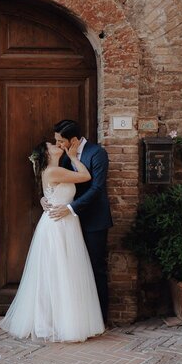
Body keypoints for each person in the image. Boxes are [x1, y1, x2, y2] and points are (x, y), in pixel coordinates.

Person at [0, 140, 104, 341]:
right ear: (47, 154)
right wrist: (73, 156)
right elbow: (86, 176)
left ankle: (63, 321)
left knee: (63, 272)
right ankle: (53, 324)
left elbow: (58, 193)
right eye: (51, 145)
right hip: (57, 225)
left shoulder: (56, 169)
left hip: (64, 222)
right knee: (57, 272)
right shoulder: (54, 171)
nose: (57, 144)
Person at [43, 120, 113, 322]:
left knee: (95, 268)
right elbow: (55, 181)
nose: (57, 144)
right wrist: (46, 198)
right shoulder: (62, 156)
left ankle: (100, 319)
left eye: (60, 141)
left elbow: (97, 188)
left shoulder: (97, 153)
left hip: (93, 220)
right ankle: (77, 319)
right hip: (67, 224)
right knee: (71, 270)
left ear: (73, 140)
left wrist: (70, 208)